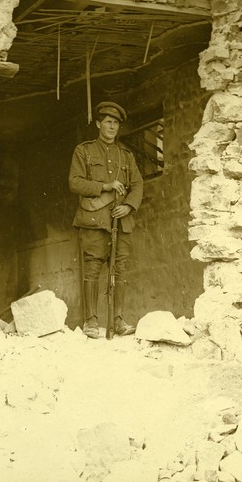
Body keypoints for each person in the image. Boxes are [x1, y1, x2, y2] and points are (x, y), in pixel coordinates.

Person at [69, 101, 143, 339]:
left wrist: (129, 206)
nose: (112, 127)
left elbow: (138, 184)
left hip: (121, 222)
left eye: (116, 123)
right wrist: (105, 186)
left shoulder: (126, 155)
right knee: (92, 268)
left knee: (119, 270)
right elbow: (75, 182)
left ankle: (118, 321)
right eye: (108, 122)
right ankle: (91, 322)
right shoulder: (84, 151)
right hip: (94, 220)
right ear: (99, 124)